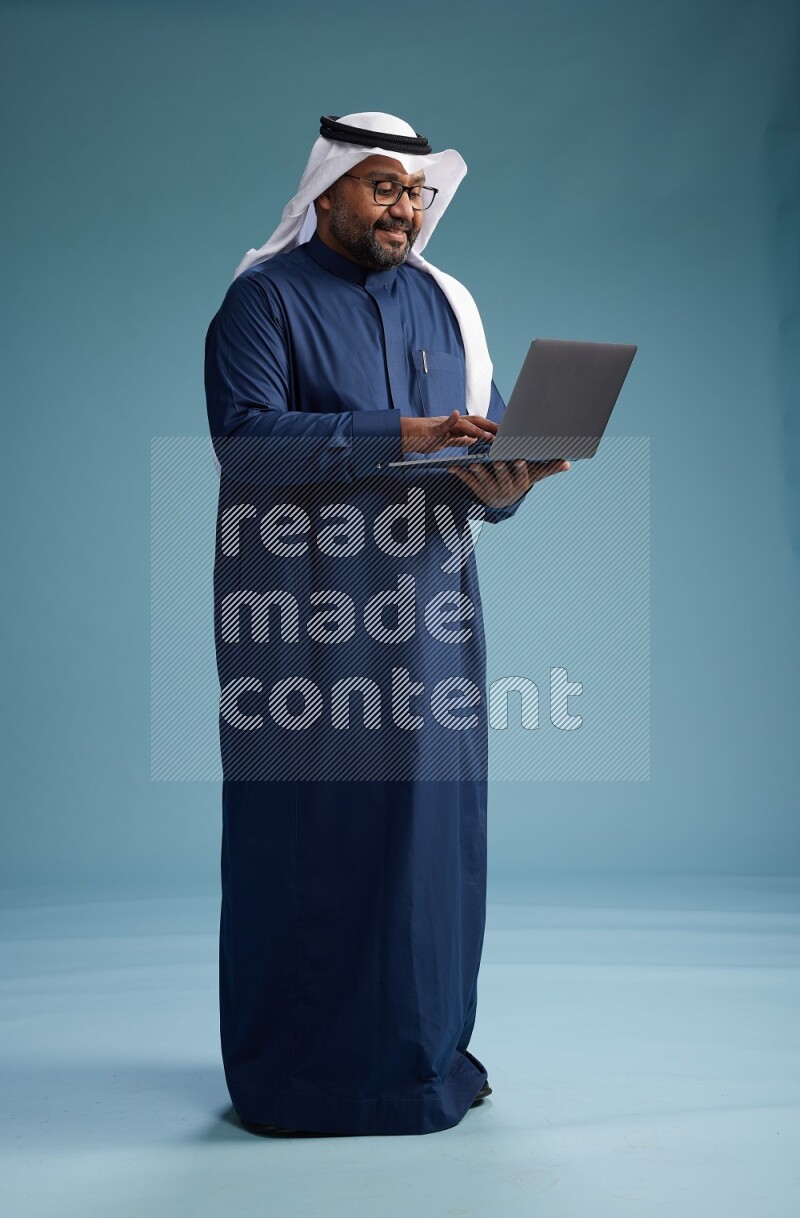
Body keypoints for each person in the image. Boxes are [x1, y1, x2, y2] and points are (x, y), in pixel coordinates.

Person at [204, 111, 568, 1138]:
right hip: (302, 620)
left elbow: (480, 461)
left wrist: (509, 484)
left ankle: (419, 1063)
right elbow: (247, 443)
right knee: (314, 834)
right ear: (325, 193)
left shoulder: (448, 306)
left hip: (432, 615)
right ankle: (298, 1078)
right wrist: (400, 433)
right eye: (381, 188)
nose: (403, 208)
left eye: (413, 192)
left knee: (430, 841)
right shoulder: (261, 302)